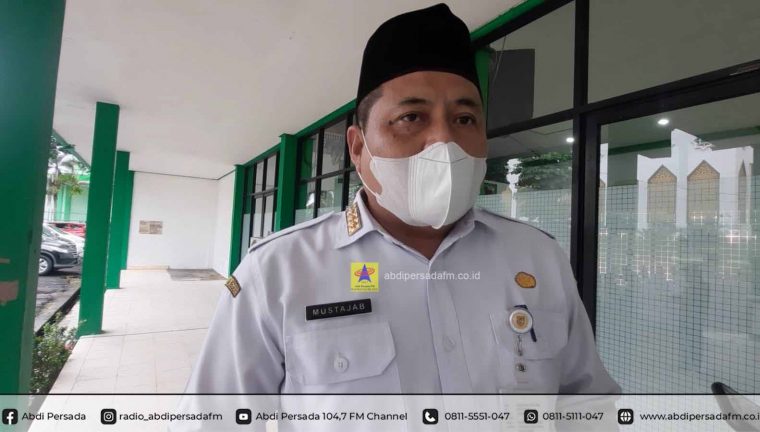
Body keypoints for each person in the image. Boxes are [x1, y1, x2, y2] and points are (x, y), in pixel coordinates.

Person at [184, 3, 620, 395]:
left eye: (464, 118)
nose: (444, 140)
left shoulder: (538, 257)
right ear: (358, 147)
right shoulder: (277, 273)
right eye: (411, 117)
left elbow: (587, 407)